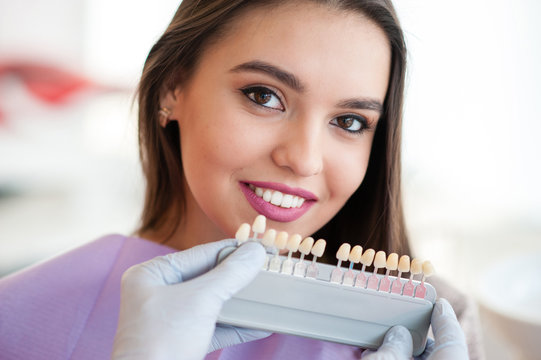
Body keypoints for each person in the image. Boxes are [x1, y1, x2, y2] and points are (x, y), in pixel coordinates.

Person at [0, 0, 483, 359]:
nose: (303, 159)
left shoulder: (437, 326)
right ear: (172, 88)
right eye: (263, 95)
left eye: (350, 121)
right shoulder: (16, 320)